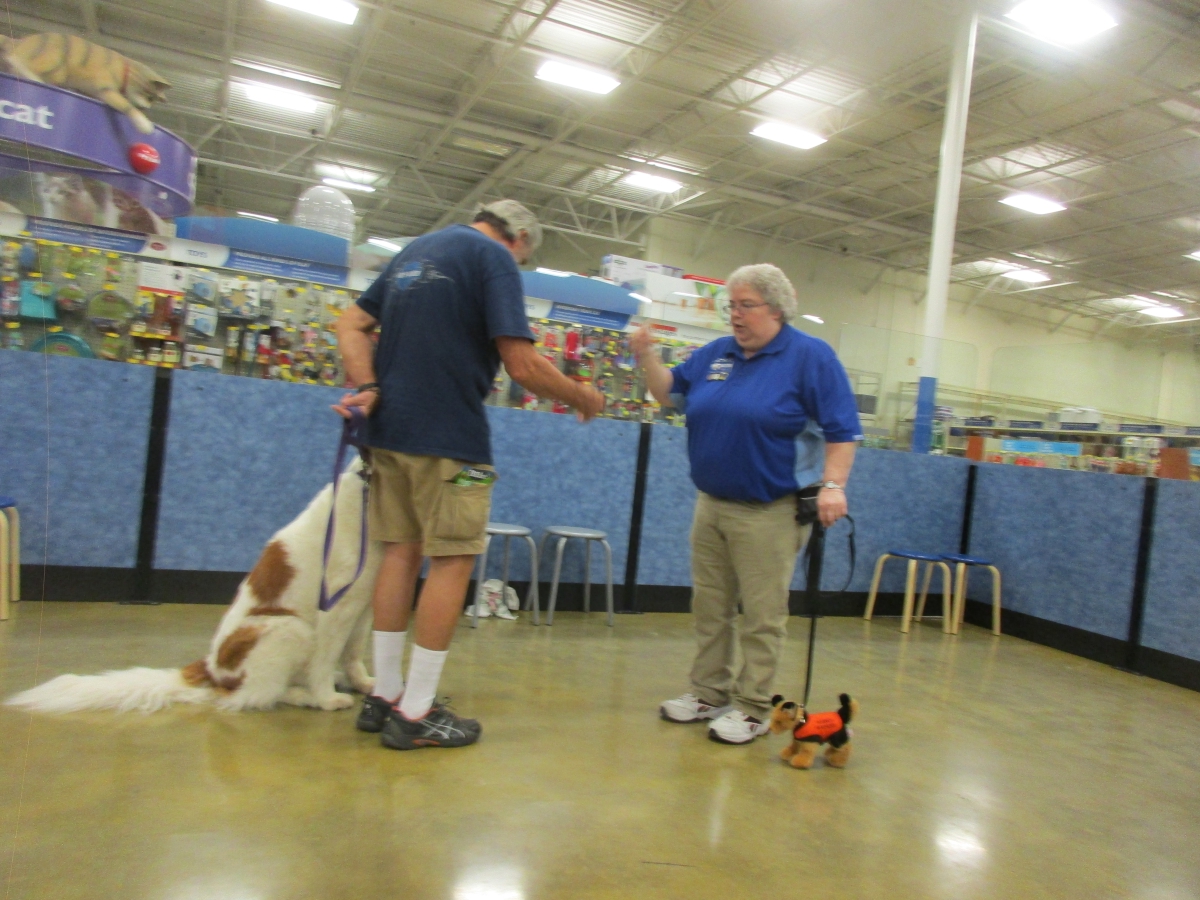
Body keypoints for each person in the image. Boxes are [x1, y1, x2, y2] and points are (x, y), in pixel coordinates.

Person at [334, 199, 605, 751]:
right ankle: (416, 712)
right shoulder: (494, 258)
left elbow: (351, 323)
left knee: (400, 552)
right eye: (524, 258)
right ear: (520, 238)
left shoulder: (415, 250)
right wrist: (582, 396)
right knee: (455, 558)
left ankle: (384, 694)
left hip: (388, 436)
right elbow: (522, 365)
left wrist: (369, 386)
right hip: (456, 445)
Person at [630, 263, 861, 745]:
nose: (735, 315)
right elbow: (668, 394)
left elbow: (843, 430)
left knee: (761, 614)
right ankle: (708, 692)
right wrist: (646, 355)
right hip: (711, 503)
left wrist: (833, 485)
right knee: (709, 606)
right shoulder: (717, 354)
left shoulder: (811, 357)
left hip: (769, 509)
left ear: (776, 309)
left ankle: (754, 706)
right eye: (731, 305)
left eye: (746, 305)